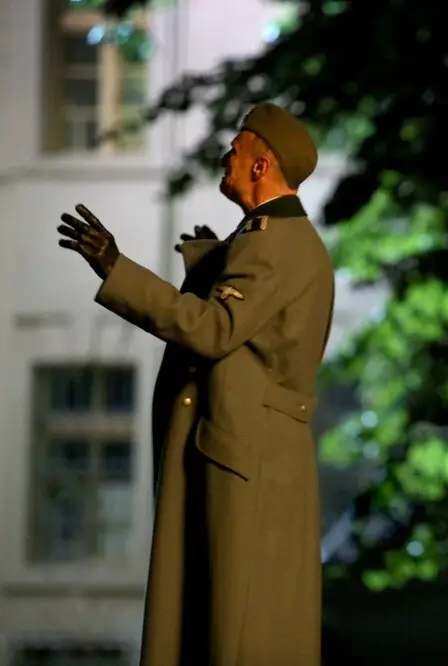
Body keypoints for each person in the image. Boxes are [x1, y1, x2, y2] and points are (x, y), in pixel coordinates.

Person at [56, 103, 334, 666]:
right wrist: (217, 258)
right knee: (218, 619)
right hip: (244, 451)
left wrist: (116, 267)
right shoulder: (266, 238)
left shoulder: (275, 242)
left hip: (245, 458)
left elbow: (215, 329)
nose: (226, 158)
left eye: (237, 150)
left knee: (233, 624)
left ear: (261, 166)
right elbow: (250, 320)